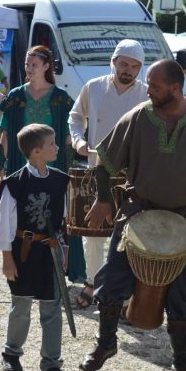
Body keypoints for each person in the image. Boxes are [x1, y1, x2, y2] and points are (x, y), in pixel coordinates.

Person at [79, 59, 186, 371]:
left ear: (175, 88)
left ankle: (181, 364)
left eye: (154, 85)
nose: (148, 90)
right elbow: (104, 163)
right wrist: (103, 199)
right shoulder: (140, 116)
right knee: (110, 284)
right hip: (137, 217)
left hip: (184, 222)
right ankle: (105, 344)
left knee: (182, 296)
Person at [0, 45, 86, 282]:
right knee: (18, 216)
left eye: (34, 64)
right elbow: (4, 133)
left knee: (59, 216)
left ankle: (66, 266)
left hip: (53, 169)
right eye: (27, 64)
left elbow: (69, 136)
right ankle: (18, 266)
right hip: (20, 165)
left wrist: (72, 165)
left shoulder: (61, 99)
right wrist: (1, 164)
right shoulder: (15, 96)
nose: (29, 68)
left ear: (46, 66)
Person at [68, 39, 148, 309]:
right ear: (113, 62)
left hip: (132, 174)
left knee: (130, 233)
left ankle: (125, 293)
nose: (128, 70)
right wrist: (79, 140)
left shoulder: (146, 94)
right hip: (96, 167)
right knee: (93, 230)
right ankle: (92, 282)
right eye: (124, 63)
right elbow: (75, 116)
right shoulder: (94, 87)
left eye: (134, 66)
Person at [0, 123, 69, 371]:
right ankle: (12, 352)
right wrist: (7, 258)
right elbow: (3, 224)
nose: (57, 147)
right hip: (22, 252)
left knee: (51, 308)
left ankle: (51, 365)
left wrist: (64, 249)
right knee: (21, 305)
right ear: (36, 151)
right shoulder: (14, 184)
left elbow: (63, 220)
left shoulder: (61, 179)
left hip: (49, 250)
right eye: (52, 144)